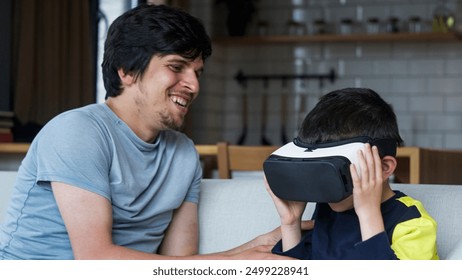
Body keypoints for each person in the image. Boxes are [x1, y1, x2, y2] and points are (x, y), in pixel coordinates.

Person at [0, 4, 291, 260]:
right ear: (125, 70)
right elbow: (95, 261)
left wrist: (248, 249)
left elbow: (178, 265)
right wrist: (228, 263)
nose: (193, 85)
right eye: (176, 67)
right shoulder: (77, 132)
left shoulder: (183, 153)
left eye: (197, 72)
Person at [265, 88, 439, 260]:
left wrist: (368, 213)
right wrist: (291, 223)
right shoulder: (327, 210)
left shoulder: (412, 224)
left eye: (338, 171)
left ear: (384, 167)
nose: (328, 186)